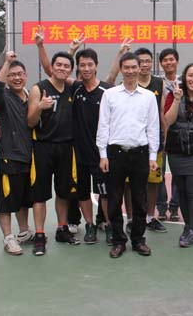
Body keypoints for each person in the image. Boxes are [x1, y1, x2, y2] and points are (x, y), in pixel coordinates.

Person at [36, 32, 130, 244]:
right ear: (77, 67)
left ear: (95, 66)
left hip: (101, 154)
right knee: (82, 193)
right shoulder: (75, 87)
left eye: (90, 65)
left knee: (105, 193)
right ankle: (89, 225)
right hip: (77, 153)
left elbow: (112, 76)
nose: (86, 68)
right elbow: (53, 71)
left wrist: (120, 53)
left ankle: (108, 225)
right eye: (82, 65)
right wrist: (68, 50)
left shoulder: (106, 90)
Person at [97, 52, 159, 258]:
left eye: (134, 67)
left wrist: (152, 156)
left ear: (140, 68)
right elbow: (103, 125)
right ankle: (118, 240)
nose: (131, 71)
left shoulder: (148, 97)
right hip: (115, 154)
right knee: (114, 200)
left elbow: (153, 127)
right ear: (121, 69)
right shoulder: (110, 95)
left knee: (140, 199)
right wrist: (103, 154)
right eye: (127, 67)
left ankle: (138, 239)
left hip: (140, 154)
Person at [27, 51, 80, 255]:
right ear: (52, 66)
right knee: (39, 195)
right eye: (59, 65)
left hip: (66, 147)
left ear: (70, 70)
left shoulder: (71, 87)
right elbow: (30, 122)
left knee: (64, 192)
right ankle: (40, 235)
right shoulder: (38, 89)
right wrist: (40, 107)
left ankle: (62, 229)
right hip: (43, 147)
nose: (62, 68)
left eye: (66, 66)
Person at [163, 63, 193, 247]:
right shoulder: (174, 94)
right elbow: (168, 120)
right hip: (176, 148)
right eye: (190, 75)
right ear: (184, 77)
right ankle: (188, 226)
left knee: (192, 189)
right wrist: (176, 100)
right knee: (181, 190)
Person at [0, 52, 34, 255]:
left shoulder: (31, 97)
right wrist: (7, 62)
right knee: (7, 201)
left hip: (29, 157)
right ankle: (8, 238)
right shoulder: (3, 98)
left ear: (26, 75)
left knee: (24, 199)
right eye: (12, 75)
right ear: (7, 78)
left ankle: (24, 232)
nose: (16, 78)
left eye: (19, 74)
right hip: (9, 157)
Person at [132, 48, 167, 233]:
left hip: (154, 141)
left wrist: (165, 136)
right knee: (131, 183)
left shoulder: (159, 83)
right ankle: (132, 218)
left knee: (153, 181)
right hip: (134, 141)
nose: (144, 65)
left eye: (147, 61)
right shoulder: (129, 83)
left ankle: (150, 216)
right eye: (141, 61)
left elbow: (162, 112)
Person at [157, 47, 181, 222]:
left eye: (171, 59)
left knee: (177, 172)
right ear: (161, 63)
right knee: (159, 172)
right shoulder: (158, 83)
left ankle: (174, 207)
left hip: (179, 132)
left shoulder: (184, 81)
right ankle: (161, 207)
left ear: (177, 61)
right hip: (159, 132)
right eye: (165, 60)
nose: (168, 62)